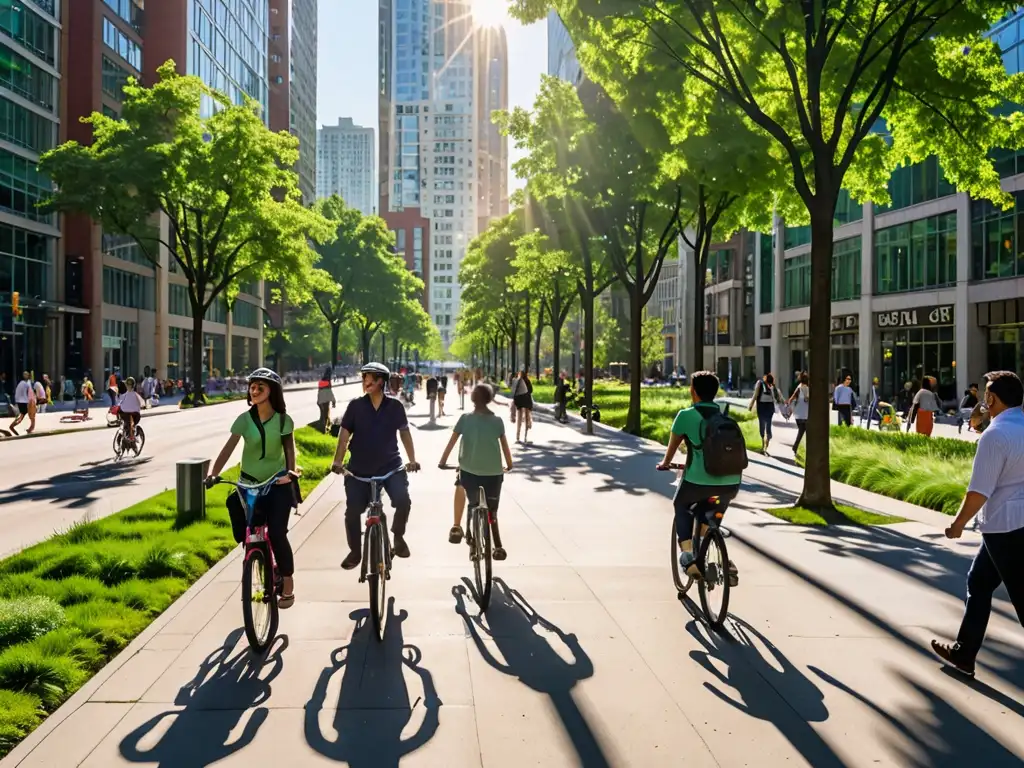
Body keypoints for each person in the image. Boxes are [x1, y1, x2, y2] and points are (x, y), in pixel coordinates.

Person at [931, 370, 1024, 677]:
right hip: (1011, 525)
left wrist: (958, 524)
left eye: (986, 394)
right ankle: (964, 653)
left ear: (992, 398)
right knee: (979, 582)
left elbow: (979, 491)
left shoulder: (995, 436)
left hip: (1005, 526)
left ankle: (964, 652)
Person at [206, 368, 300, 609]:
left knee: (278, 533)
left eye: (261, 387)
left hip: (277, 482)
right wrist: (213, 473)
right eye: (252, 387)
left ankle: (287, 584)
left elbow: (289, 449)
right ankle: (254, 554)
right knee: (244, 527)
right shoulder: (244, 420)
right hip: (248, 483)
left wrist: (291, 472)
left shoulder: (282, 420)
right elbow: (228, 448)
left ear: (272, 392)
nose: (254, 391)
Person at [331, 362, 421, 569]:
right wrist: (337, 461)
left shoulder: (395, 407)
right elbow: (344, 436)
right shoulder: (355, 406)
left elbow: (405, 433)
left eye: (369, 378)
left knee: (402, 500)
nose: (365, 382)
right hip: (358, 471)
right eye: (364, 378)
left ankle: (398, 537)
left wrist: (412, 459)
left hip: (391, 467)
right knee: (353, 511)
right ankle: (355, 551)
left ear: (381, 381)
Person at [657, 370, 741, 582]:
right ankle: (720, 558)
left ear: (693, 391)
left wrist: (665, 464)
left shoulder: (686, 416)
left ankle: (687, 556)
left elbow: (672, 449)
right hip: (730, 484)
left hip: (697, 483)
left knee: (681, 504)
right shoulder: (725, 419)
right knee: (712, 516)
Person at [438, 383, 514, 559]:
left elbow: (451, 443)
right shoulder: (497, 421)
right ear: (489, 399)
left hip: (469, 473)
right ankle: (498, 546)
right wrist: (509, 465)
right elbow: (505, 447)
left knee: (473, 504)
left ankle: (470, 540)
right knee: (491, 511)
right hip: (494, 475)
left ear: (472, 399)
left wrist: (442, 462)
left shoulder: (465, 419)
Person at [749, 373, 783, 454]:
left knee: (762, 424)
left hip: (761, 407)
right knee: (768, 424)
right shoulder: (773, 386)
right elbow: (779, 397)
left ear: (765, 378)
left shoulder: (760, 383)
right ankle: (767, 440)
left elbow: (755, 395)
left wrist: (751, 405)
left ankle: (762, 444)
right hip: (770, 407)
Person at [117, 376, 145, 444]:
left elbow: (119, 402)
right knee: (132, 424)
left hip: (125, 414)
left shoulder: (124, 395)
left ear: (126, 385)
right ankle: (131, 436)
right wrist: (143, 406)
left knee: (126, 422)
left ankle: (127, 435)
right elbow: (142, 403)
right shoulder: (136, 394)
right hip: (135, 415)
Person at [787, 372, 810, 454]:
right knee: (803, 430)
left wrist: (789, 409)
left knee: (802, 430)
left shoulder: (799, 387)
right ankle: (797, 447)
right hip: (805, 414)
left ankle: (797, 447)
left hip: (797, 413)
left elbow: (791, 399)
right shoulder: (807, 388)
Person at [512, 367, 534, 442]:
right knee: (526, 419)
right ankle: (525, 437)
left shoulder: (517, 381)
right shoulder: (527, 381)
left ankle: (518, 437)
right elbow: (531, 390)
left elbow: (514, 392)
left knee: (519, 419)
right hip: (526, 401)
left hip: (520, 402)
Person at [9, 371, 32, 435]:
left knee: (22, 415)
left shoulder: (20, 383)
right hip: (23, 402)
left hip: (20, 401)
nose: (28, 376)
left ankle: (13, 425)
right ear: (25, 376)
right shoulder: (25, 384)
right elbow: (29, 393)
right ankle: (12, 426)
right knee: (22, 415)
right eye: (27, 375)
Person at [316, 367, 336, 433]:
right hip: (325, 401)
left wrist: (318, 400)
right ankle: (324, 430)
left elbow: (319, 391)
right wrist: (333, 401)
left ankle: (324, 429)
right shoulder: (327, 381)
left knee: (323, 416)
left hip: (321, 400)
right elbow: (329, 392)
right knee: (325, 416)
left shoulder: (322, 379)